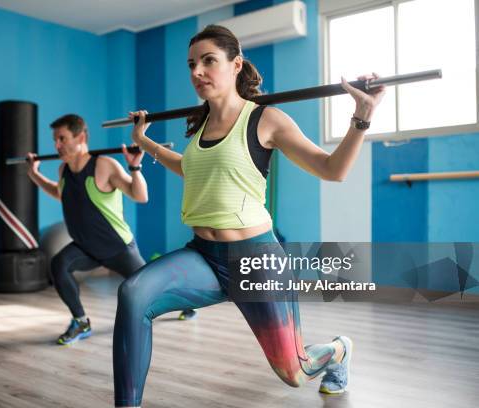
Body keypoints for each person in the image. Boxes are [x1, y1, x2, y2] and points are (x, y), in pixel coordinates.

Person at [112, 25, 385, 407]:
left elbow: (332, 169)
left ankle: (338, 351)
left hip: (255, 259)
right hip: (202, 256)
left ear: (235, 64)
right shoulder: (201, 124)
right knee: (133, 293)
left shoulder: (265, 119)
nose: (197, 72)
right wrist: (144, 142)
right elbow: (190, 168)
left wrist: (362, 115)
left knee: (294, 372)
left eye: (209, 61)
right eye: (192, 64)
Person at [26, 114, 197, 345]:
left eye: (62, 139)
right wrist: (34, 175)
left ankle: (185, 302)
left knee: (153, 289)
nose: (57, 146)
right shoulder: (63, 170)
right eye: (55, 140)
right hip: (86, 247)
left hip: (118, 247)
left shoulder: (104, 165)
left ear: (81, 137)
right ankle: (80, 322)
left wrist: (135, 166)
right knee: (59, 264)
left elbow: (140, 195)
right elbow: (60, 193)